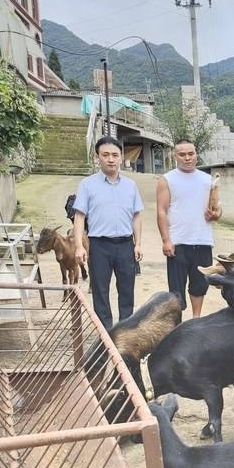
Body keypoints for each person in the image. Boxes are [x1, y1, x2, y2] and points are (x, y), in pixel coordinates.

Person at [73, 136, 144, 331]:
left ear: (121, 157)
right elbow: (79, 216)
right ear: (98, 157)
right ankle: (105, 336)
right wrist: (79, 246)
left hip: (125, 245)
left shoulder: (130, 185)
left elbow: (136, 216)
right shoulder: (87, 185)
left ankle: (125, 333)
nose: (110, 159)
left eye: (115, 155)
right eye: (105, 155)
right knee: (100, 292)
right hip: (99, 246)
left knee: (127, 291)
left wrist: (137, 244)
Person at [156, 139, 222, 318]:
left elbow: (217, 208)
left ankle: (196, 320)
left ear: (196, 155)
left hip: (202, 240)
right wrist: (166, 240)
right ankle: (176, 324)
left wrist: (216, 215)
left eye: (190, 154)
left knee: (200, 285)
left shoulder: (208, 180)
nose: (187, 158)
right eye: (182, 154)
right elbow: (161, 211)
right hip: (178, 243)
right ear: (175, 156)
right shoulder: (167, 180)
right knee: (176, 290)